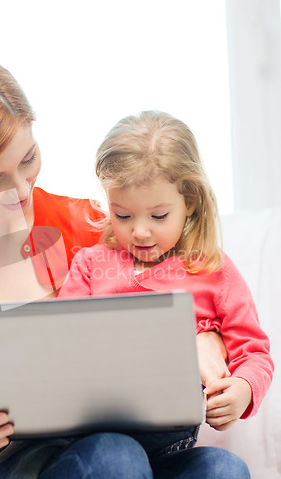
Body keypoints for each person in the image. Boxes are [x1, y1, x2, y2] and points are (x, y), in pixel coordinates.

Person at [0, 55, 253, 479]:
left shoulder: (84, 227)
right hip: (20, 476)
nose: (22, 190)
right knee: (113, 459)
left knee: (222, 472)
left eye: (28, 159)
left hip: (130, 466)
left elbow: (188, 281)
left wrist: (206, 337)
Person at [59, 110, 274, 432]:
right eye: (122, 216)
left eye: (158, 216)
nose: (140, 232)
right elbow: (62, 347)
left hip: (171, 438)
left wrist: (243, 390)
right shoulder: (90, 264)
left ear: (189, 201)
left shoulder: (214, 270)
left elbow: (254, 352)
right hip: (101, 430)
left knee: (227, 472)